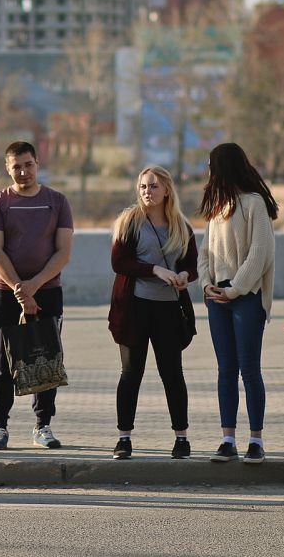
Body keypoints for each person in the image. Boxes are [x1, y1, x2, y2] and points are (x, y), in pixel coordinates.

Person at [0, 141, 74, 451]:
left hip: (47, 292)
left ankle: (43, 425)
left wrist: (34, 285)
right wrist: (21, 290)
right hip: (4, 293)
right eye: (16, 166)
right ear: (8, 169)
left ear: (38, 163)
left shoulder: (57, 202)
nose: (23, 172)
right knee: (1, 362)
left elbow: (63, 252)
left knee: (45, 360)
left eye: (28, 164)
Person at [107, 166, 197, 460]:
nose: (148, 191)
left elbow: (193, 265)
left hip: (169, 309)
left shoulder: (181, 226)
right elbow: (119, 262)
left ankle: (181, 438)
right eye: (144, 186)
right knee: (131, 373)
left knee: (172, 373)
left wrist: (184, 274)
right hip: (134, 307)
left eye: (154, 186)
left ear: (167, 190)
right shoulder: (129, 222)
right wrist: (154, 269)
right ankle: (124, 438)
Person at [197, 143, 277, 464]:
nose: (208, 172)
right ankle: (227, 438)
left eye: (211, 165)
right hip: (217, 298)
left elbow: (259, 254)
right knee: (225, 371)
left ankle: (255, 440)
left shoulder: (254, 204)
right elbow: (205, 254)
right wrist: (206, 285)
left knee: (249, 369)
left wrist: (234, 289)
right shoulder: (218, 208)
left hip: (245, 298)